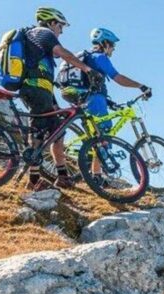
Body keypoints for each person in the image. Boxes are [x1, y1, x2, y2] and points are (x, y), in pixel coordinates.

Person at [21, 7, 102, 190]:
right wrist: (87, 69)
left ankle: (63, 176)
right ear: (51, 22)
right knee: (39, 131)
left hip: (44, 89)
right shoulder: (43, 33)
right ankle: (33, 181)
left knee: (57, 130)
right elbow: (64, 53)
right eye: (60, 26)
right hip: (36, 88)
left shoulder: (38, 39)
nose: (62, 30)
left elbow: (52, 58)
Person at [60, 27, 151, 183]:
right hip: (93, 99)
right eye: (112, 45)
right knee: (103, 134)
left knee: (96, 134)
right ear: (104, 43)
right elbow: (118, 78)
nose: (114, 48)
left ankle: (96, 174)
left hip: (78, 95)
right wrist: (141, 86)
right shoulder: (100, 57)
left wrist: (109, 102)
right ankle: (97, 176)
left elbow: (95, 85)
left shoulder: (89, 57)